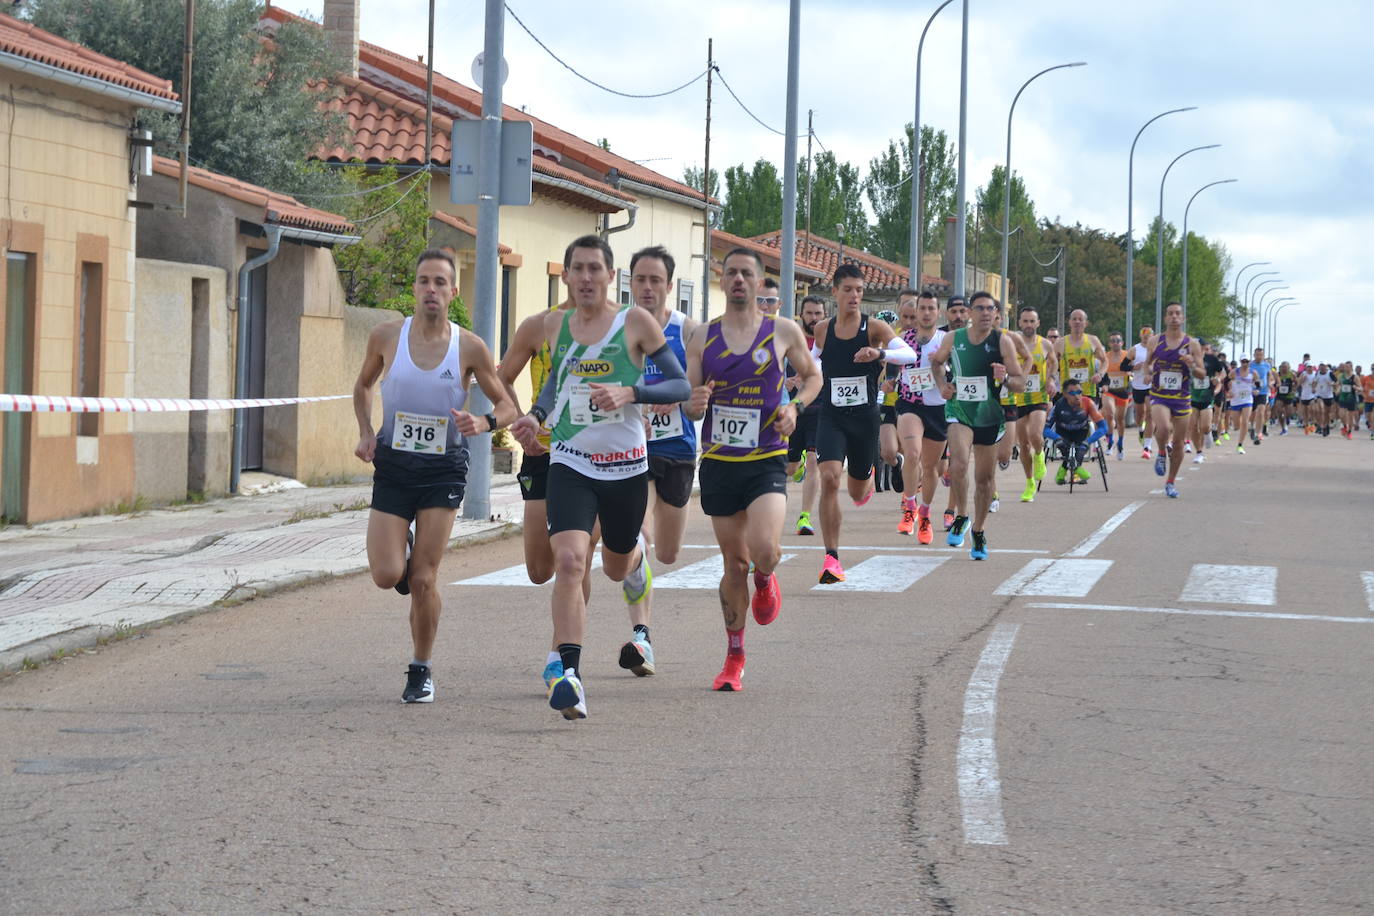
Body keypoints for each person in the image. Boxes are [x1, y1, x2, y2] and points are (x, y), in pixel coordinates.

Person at [509, 235, 689, 720]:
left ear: (612, 277)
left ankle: (636, 560)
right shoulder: (558, 325)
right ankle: (569, 675)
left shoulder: (634, 323)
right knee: (569, 561)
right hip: (570, 461)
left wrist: (630, 391)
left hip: (626, 466)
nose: (586, 277)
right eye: (578, 269)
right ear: (566, 276)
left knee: (613, 566)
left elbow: (679, 384)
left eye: (595, 269)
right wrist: (536, 416)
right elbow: (557, 382)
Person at [353, 249, 516, 704]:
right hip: (394, 465)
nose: (431, 289)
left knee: (423, 579)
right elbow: (363, 385)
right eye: (423, 281)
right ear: (414, 288)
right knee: (388, 575)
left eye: (440, 282)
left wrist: (483, 424)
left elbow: (504, 406)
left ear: (453, 291)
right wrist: (367, 432)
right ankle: (403, 546)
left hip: (443, 468)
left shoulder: (469, 347)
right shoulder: (387, 336)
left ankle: (421, 668)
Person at [684, 247, 820, 691]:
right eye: (733, 273)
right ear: (723, 281)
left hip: (765, 458)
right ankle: (734, 656)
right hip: (720, 462)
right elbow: (688, 396)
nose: (739, 280)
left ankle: (767, 579)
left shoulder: (782, 330)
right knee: (733, 563)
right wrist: (694, 402)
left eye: (748, 274)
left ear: (760, 283)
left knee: (764, 550)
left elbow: (813, 377)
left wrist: (795, 408)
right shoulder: (702, 336)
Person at [812, 264, 916, 582]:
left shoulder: (874, 329)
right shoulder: (822, 329)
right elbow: (813, 359)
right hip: (831, 415)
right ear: (835, 293)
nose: (855, 296)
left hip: (864, 419)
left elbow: (909, 355)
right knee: (829, 479)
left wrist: (879, 352)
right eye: (848, 290)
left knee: (857, 493)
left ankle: (867, 474)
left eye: (859, 290)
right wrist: (798, 378)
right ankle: (832, 558)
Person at [625, 245, 700, 675]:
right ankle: (642, 635)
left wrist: (691, 404)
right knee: (639, 534)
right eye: (641, 280)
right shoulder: (618, 330)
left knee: (668, 552)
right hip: (632, 450)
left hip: (677, 450)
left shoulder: (687, 331)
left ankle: (640, 555)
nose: (648, 288)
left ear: (670, 286)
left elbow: (696, 392)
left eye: (656, 280)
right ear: (630, 283)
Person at [928, 291, 1026, 559]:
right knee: (958, 464)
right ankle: (961, 515)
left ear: (996, 314)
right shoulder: (954, 338)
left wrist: (1005, 379)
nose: (985, 313)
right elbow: (935, 363)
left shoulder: (1002, 342)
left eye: (990, 309)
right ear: (970, 313)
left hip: (990, 415)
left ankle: (979, 531)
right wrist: (942, 386)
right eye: (979, 308)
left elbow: (1020, 382)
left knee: (984, 480)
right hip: (959, 409)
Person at [893, 290, 949, 542]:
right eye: (922, 308)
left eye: (930, 308)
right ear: (915, 312)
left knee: (930, 467)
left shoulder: (946, 339)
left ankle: (925, 514)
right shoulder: (904, 338)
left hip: (937, 408)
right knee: (912, 454)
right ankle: (910, 507)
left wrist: (942, 366)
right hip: (910, 403)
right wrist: (889, 381)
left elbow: (956, 372)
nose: (926, 313)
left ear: (938, 313)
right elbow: (892, 366)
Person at [1143, 302, 1205, 498]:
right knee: (1162, 428)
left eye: (1178, 314)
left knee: (1178, 443)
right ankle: (1161, 451)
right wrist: (1148, 373)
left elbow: (1202, 374)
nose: (1174, 317)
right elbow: (1147, 365)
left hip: (1182, 398)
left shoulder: (1191, 344)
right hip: (1160, 395)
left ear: (1183, 318)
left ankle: (1170, 482)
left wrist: (1192, 365)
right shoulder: (1155, 341)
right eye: (1170, 314)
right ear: (1165, 318)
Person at [785, 296, 826, 534]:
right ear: (801, 315)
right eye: (809, 313)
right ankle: (796, 464)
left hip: (820, 410)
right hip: (793, 410)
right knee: (789, 469)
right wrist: (785, 382)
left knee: (814, 461)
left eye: (818, 313)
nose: (814, 318)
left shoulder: (829, 341)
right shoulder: (791, 339)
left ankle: (804, 517)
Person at [1011, 306, 1056, 503]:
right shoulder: (1012, 342)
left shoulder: (1045, 344)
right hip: (1018, 398)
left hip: (1039, 397)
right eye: (1025, 321)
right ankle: (1029, 483)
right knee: (1023, 444)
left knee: (1035, 434)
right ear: (1020, 323)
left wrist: (1051, 379)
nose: (1029, 325)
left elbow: (1054, 362)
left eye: (1032, 321)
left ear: (1038, 323)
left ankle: (1039, 454)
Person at [1044, 377, 1107, 484]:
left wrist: (1089, 441)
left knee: (1080, 450)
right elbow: (1044, 429)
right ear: (1065, 394)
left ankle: (1065, 472)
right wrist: (1056, 438)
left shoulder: (1088, 403)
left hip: (1081, 432)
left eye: (1079, 392)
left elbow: (1103, 427)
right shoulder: (1058, 405)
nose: (1077, 396)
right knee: (1066, 449)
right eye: (1072, 393)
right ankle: (1076, 471)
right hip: (1062, 432)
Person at [1188, 339, 1222, 464]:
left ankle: (1208, 434)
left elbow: (1221, 372)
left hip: (1207, 396)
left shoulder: (1211, 359)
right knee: (1192, 426)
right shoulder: (1189, 359)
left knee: (1205, 426)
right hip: (1192, 396)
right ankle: (1199, 452)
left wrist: (1217, 379)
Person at [1101, 331, 1132, 460]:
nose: (1115, 343)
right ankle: (1109, 442)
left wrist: (1131, 373)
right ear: (1109, 343)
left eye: (1118, 340)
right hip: (1109, 391)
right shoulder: (1105, 357)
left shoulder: (1127, 355)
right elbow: (1102, 371)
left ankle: (1120, 444)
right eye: (1113, 340)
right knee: (1109, 413)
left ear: (1122, 343)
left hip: (1123, 392)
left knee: (1120, 419)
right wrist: (1103, 384)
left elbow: (1132, 368)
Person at [1130, 325, 1155, 456]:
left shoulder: (1157, 349)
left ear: (1153, 335)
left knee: (1150, 414)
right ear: (1140, 335)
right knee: (1140, 415)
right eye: (1144, 332)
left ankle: (1147, 446)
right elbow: (1124, 366)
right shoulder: (1135, 349)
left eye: (1149, 332)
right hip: (1138, 386)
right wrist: (1134, 366)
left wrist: (1152, 374)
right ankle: (1140, 429)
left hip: (1151, 387)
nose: (1146, 334)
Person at [1249, 347, 1273, 445]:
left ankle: (1259, 432)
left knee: (1261, 411)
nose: (1259, 357)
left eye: (1261, 355)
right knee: (1252, 413)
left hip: (1263, 392)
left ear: (1263, 356)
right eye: (1257, 355)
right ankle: (1251, 426)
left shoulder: (1267, 365)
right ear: (1254, 355)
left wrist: (1270, 383)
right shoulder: (1250, 365)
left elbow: (1270, 376)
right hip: (1252, 392)